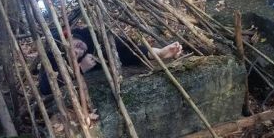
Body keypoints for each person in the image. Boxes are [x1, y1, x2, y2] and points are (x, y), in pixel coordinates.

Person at [38, 27, 182, 95]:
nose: (79, 51)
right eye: (74, 55)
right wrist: (79, 69)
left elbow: (130, 51)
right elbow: (45, 88)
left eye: (74, 46)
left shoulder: (93, 36)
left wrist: (160, 53)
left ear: (68, 36)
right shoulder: (53, 57)